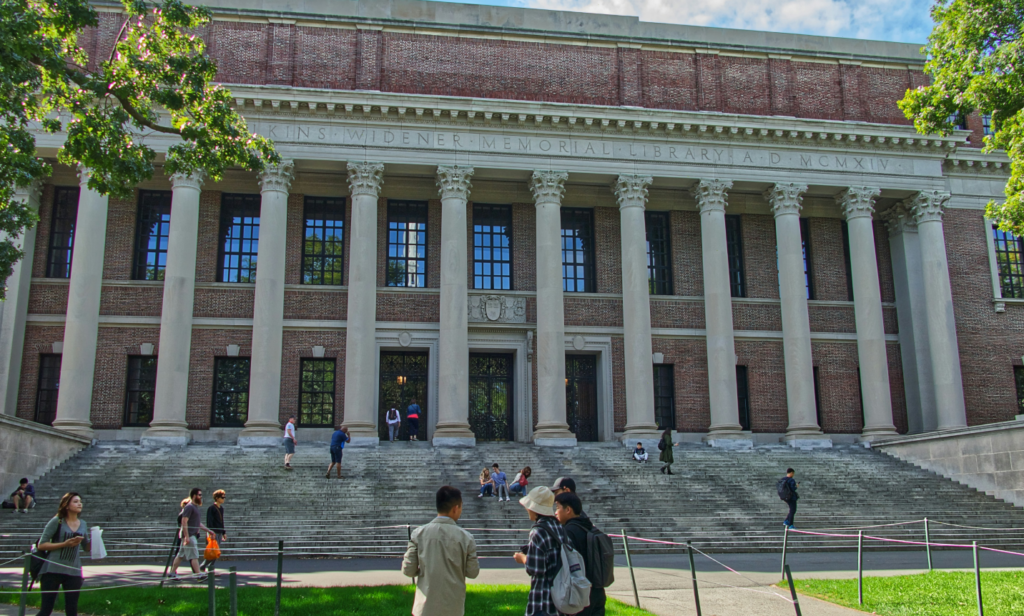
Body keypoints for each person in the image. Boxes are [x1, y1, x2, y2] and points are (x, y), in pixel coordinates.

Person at [402, 486, 480, 616]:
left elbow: (408, 569)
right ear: (455, 508)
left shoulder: (418, 534)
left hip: (424, 607)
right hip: (453, 608)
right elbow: (472, 572)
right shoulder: (466, 538)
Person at [513, 486, 566, 616]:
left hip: (543, 598)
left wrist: (523, 558)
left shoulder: (538, 532)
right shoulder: (560, 528)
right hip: (560, 594)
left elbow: (535, 568)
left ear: (536, 510)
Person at [36, 492, 90, 616]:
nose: (79, 504)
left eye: (80, 501)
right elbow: (42, 544)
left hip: (73, 571)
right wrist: (65, 544)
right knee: (46, 610)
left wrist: (97, 541)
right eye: (75, 501)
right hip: (52, 570)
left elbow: (86, 547)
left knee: (72, 610)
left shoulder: (83, 524)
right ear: (66, 505)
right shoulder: (57, 521)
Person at [555, 492, 605, 616]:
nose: (555, 512)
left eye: (557, 508)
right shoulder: (590, 527)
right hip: (598, 592)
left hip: (579, 595)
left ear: (568, 510)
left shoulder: (568, 533)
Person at [169, 488, 210, 582]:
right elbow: (184, 521)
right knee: (194, 556)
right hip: (189, 535)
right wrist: (186, 536)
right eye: (199, 495)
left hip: (191, 535)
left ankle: (172, 573)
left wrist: (209, 531)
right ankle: (198, 575)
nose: (201, 497)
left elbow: (198, 523)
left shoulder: (194, 507)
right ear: (194, 496)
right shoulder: (189, 506)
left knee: (180, 555)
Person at [200, 490, 227, 572]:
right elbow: (209, 522)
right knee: (213, 551)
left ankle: (210, 568)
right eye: (222, 497)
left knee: (216, 552)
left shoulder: (221, 508)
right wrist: (210, 532)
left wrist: (223, 532)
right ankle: (203, 566)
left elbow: (221, 521)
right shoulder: (211, 508)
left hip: (219, 532)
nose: (224, 499)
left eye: (224, 497)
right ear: (217, 498)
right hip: (213, 533)